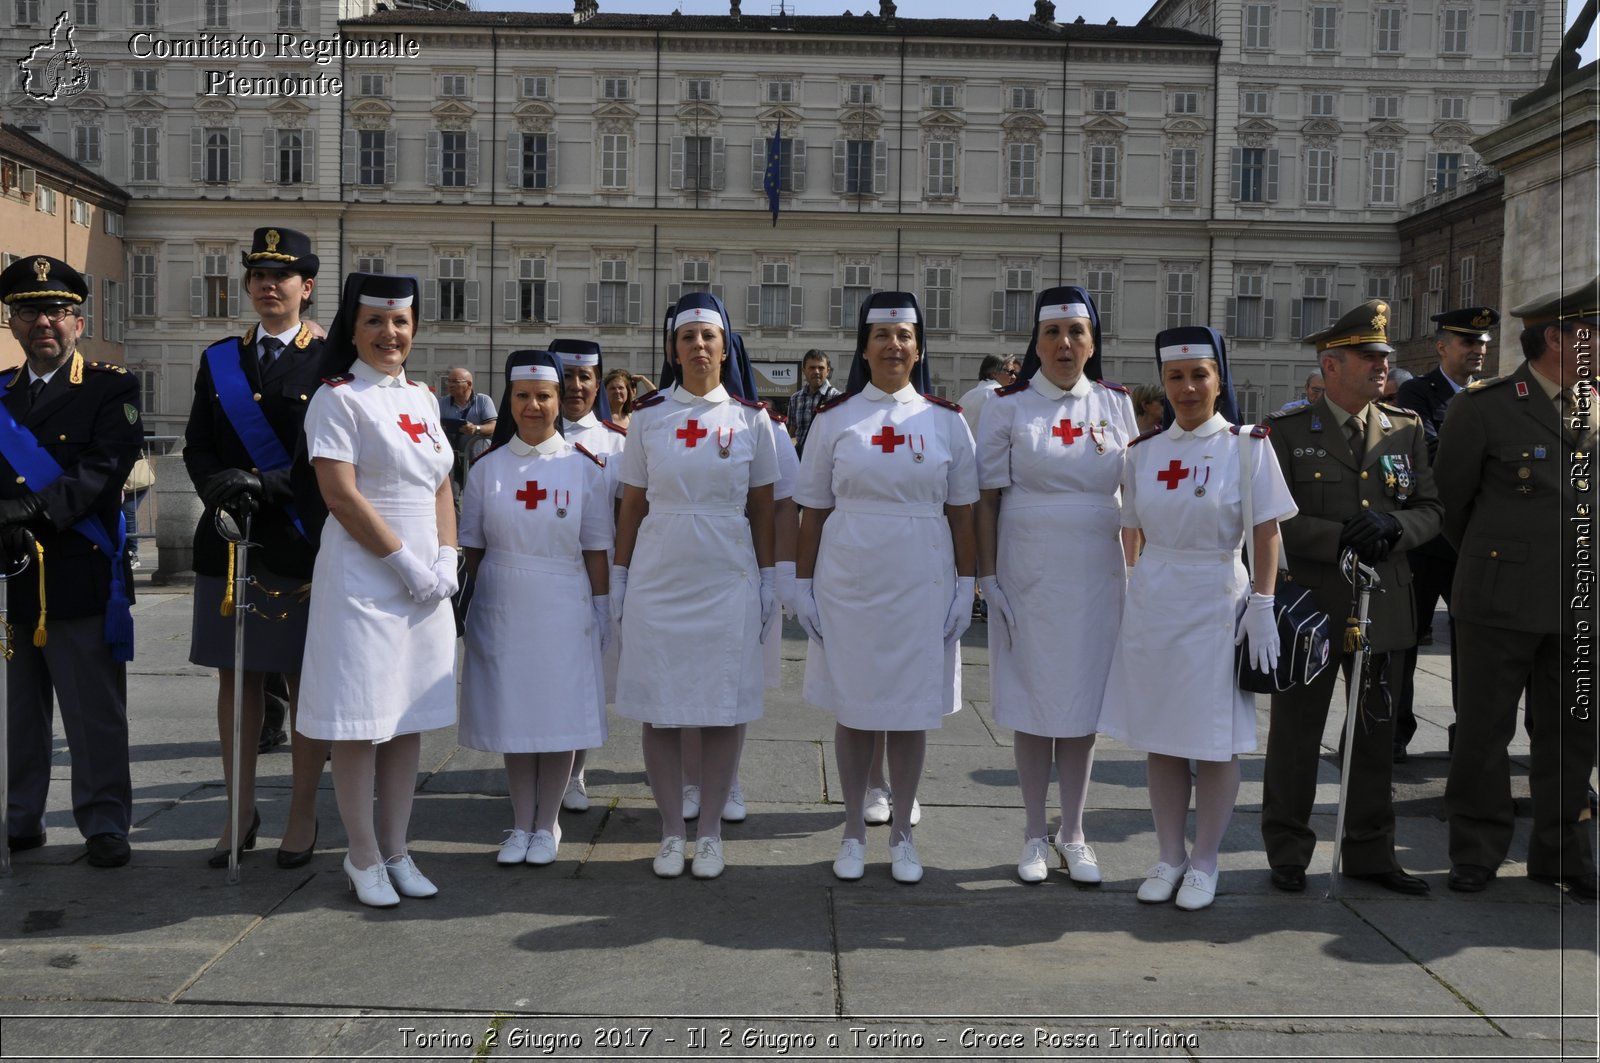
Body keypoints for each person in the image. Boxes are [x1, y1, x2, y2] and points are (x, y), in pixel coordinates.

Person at [1100, 326, 1294, 910]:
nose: (1187, 388)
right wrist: (1131, 589)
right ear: (1163, 382)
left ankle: (1205, 859)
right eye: (1176, 376)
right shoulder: (1142, 453)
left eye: (1199, 375)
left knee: (1213, 741)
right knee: (1161, 738)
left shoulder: (1248, 446)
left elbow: (1266, 531)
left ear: (1218, 379)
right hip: (1156, 597)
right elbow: (1130, 529)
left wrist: (1262, 603)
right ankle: (1169, 854)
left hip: (1216, 595)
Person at [793, 291, 978, 885]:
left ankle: (901, 831)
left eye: (905, 336)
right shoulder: (834, 420)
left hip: (923, 575)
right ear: (864, 349)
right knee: (855, 706)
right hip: (850, 577)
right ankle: (852, 828)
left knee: (909, 709)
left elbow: (964, 512)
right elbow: (813, 511)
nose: (894, 346)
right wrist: (801, 584)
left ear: (919, 347)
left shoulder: (947, 423)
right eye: (882, 337)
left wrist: (965, 585)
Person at [1260, 300, 1443, 897]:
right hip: (1311, 604)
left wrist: (1396, 529)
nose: (1381, 366)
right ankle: (1287, 851)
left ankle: (1371, 853)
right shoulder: (1286, 432)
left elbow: (1431, 510)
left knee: (1373, 735)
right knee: (1296, 737)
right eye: (1369, 357)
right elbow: (1266, 523)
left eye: (1384, 358)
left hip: (1382, 603)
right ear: (1331, 366)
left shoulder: (1405, 428)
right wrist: (1336, 534)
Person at [296, 273, 459, 908]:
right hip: (366, 575)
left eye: (400, 323)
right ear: (353, 329)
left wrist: (446, 554)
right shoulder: (338, 399)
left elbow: (442, 482)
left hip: (423, 576)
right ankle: (361, 854)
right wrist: (404, 562)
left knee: (406, 716)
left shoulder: (422, 397)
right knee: (361, 718)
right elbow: (340, 494)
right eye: (375, 322)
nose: (389, 334)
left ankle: (398, 847)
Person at [1436, 278, 1597, 899]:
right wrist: (1500, 561)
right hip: (1499, 598)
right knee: (1484, 730)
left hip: (1582, 604)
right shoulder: (1485, 406)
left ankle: (1562, 853)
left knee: (1572, 733)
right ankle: (1476, 849)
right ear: (1556, 338)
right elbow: (1451, 504)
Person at [611, 292, 778, 880]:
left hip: (725, 570)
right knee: (660, 709)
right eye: (688, 338)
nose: (699, 347)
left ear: (725, 346)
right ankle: (668, 831)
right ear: (672, 349)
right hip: (660, 571)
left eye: (709, 337)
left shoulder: (752, 420)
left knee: (721, 708)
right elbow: (631, 505)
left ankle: (708, 832)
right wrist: (620, 576)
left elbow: (764, 508)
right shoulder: (649, 418)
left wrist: (767, 578)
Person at [976, 287, 1138, 885]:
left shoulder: (1114, 403)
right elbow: (986, 500)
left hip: (1097, 571)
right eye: (1053, 333)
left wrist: (1138, 573)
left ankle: (1074, 832)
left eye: (1077, 331)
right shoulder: (1006, 406)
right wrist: (986, 576)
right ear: (1036, 342)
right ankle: (1032, 833)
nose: (1065, 344)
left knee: (1081, 706)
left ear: (1093, 342)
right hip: (1028, 566)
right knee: (1032, 700)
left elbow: (1134, 497)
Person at [182, 226, 330, 870]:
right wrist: (219, 486)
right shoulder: (220, 359)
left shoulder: (330, 361)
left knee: (303, 683)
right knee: (235, 683)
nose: (270, 285)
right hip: (231, 539)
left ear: (307, 286)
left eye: (284, 274)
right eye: (259, 275)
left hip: (297, 542)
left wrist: (262, 482)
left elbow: (330, 454)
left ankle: (302, 812)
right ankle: (238, 813)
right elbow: (196, 443)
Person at [0, 254, 142, 868]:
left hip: (79, 569)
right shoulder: (0, 392)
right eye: (29, 312)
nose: (43, 324)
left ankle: (104, 821)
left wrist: (27, 509)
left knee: (92, 714)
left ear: (79, 322)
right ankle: (21, 819)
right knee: (18, 715)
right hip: (10, 576)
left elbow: (103, 468)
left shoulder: (111, 388)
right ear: (13, 324)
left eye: (56, 312)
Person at [459, 349, 613, 867]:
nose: (533, 406)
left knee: (558, 714)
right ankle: (520, 822)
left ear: (558, 401)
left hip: (563, 601)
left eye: (543, 396)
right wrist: (468, 608)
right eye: (522, 396)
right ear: (509, 400)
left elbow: (596, 548)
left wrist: (601, 609)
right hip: (503, 601)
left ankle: (548, 824)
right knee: (516, 715)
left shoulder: (583, 468)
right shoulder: (487, 469)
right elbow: (472, 549)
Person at [1390, 306, 1496, 759]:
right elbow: (1431, 454)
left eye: (1483, 344)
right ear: (1442, 347)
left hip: (1472, 543)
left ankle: (1466, 734)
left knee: (1474, 646)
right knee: (1405, 641)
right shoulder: (1417, 393)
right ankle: (1394, 734)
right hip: (1427, 542)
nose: (1478, 351)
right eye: (1468, 343)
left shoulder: (1495, 395)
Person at [551, 338, 627, 813]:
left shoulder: (617, 443)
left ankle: (576, 772)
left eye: (584, 377)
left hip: (595, 576)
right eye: (566, 377)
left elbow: (628, 514)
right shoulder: (532, 437)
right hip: (545, 573)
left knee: (588, 680)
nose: (574, 386)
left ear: (598, 384)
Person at [439, 367, 497, 493]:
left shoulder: (483, 401)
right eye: (449, 381)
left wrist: (476, 429)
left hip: (478, 461)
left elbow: (494, 426)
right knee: (451, 496)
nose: (450, 385)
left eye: (455, 381)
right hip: (453, 464)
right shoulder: (442, 403)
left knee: (477, 498)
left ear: (468, 384)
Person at [787, 349, 840, 458]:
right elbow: (792, 433)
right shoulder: (795, 398)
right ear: (803, 370)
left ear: (828, 371)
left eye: (821, 368)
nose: (816, 371)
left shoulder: (837, 398)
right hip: (801, 461)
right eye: (812, 368)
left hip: (826, 462)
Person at [958, 353, 1021, 436]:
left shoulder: (965, 398)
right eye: (1010, 372)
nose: (1014, 377)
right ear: (994, 374)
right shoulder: (1002, 396)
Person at [603, 367, 637, 431]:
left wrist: (643, 379)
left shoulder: (634, 419)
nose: (617, 391)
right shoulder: (598, 419)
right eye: (612, 388)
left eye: (620, 388)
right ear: (604, 392)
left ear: (628, 392)